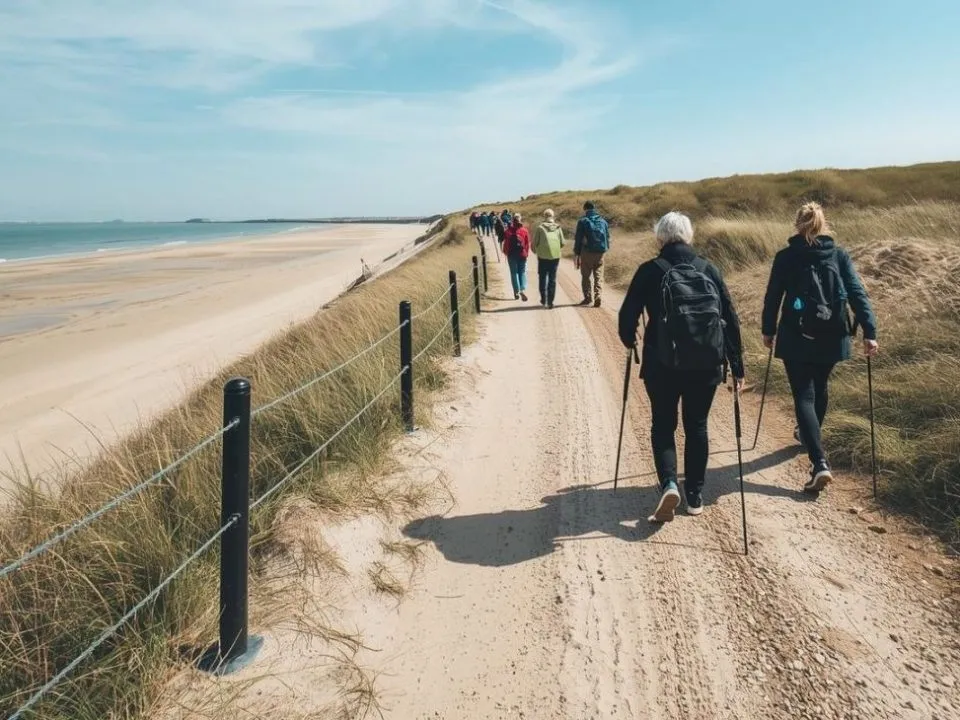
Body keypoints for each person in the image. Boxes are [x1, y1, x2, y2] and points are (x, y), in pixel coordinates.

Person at [618, 211, 745, 522]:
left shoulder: (649, 270)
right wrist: (737, 365)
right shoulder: (708, 269)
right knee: (697, 426)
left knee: (663, 425)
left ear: (659, 237)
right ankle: (695, 495)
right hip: (706, 364)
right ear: (689, 235)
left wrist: (630, 341)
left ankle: (670, 484)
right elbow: (729, 317)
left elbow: (626, 318)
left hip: (662, 364)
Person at [761, 202, 878, 494]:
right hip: (833, 335)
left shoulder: (786, 257)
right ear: (823, 225)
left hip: (795, 336)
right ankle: (810, 437)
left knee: (804, 394)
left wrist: (768, 330)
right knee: (820, 387)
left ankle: (819, 462)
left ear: (797, 225)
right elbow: (855, 292)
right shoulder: (838, 255)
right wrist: (869, 331)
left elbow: (773, 295)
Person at [574, 201, 610, 307]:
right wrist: (605, 249)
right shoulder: (603, 221)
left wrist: (577, 253)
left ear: (585, 209)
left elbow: (578, 239)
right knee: (598, 276)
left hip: (587, 252)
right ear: (594, 208)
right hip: (600, 252)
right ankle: (598, 296)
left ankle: (588, 297)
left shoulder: (582, 221)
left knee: (586, 276)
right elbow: (607, 237)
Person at [533, 208, 565, 308]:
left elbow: (535, 243)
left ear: (544, 216)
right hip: (555, 257)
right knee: (552, 279)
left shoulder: (540, 228)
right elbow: (562, 243)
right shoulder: (558, 227)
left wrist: (536, 252)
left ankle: (543, 299)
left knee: (542, 277)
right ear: (553, 216)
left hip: (542, 257)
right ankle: (550, 302)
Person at [502, 213, 531, 301]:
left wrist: (505, 252)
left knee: (513, 273)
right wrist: (526, 254)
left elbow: (506, 244)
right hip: (522, 254)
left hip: (511, 255)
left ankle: (516, 291)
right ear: (520, 220)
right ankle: (522, 289)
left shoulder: (508, 231)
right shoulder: (524, 230)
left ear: (512, 220)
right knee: (522, 272)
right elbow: (527, 244)